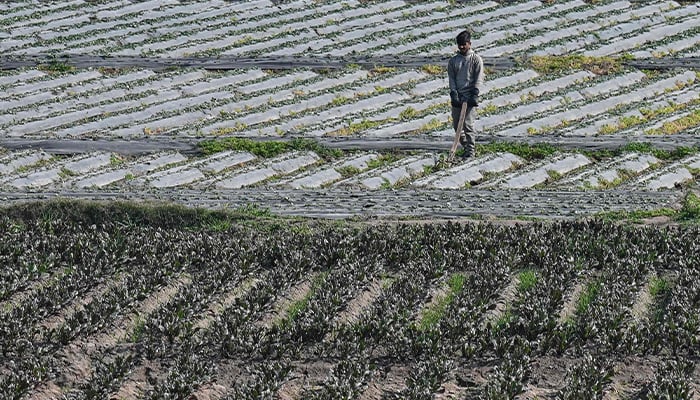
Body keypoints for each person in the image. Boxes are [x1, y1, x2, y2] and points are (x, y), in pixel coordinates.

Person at [448, 29, 484, 158]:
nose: (462, 47)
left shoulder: (476, 59)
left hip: (470, 97)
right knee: (457, 126)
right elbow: (451, 78)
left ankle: (471, 151)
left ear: (469, 43)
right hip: (458, 96)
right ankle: (465, 147)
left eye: (464, 44)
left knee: (468, 125)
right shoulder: (453, 61)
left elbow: (478, 78)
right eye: (460, 44)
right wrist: (453, 93)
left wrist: (475, 93)